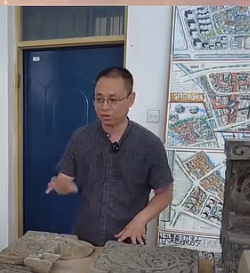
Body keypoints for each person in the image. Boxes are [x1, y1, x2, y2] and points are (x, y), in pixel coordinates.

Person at [46, 66, 174, 247]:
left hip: (127, 242)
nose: (104, 107)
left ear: (131, 99)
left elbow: (165, 194)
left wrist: (140, 221)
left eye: (113, 100)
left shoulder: (149, 144)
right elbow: (64, 181)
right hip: (84, 241)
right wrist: (62, 185)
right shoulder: (81, 137)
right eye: (99, 99)